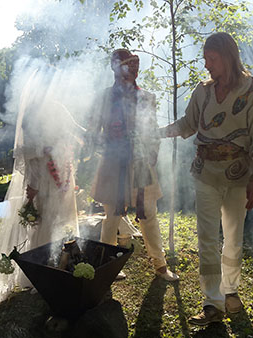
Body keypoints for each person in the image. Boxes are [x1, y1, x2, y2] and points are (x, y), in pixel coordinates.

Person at [159, 32, 253, 325]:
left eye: (212, 59)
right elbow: (187, 124)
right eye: (205, 59)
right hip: (205, 174)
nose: (206, 64)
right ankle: (212, 303)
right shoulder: (203, 91)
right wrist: (158, 132)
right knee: (207, 237)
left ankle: (230, 289)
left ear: (228, 57)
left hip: (239, 176)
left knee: (232, 238)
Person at [0, 66, 82, 306]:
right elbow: (26, 152)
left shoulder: (60, 108)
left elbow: (73, 135)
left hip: (62, 176)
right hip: (43, 179)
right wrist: (32, 185)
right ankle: (41, 273)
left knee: (63, 222)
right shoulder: (31, 113)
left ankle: (66, 265)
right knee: (44, 225)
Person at [85, 49, 179, 282]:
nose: (133, 72)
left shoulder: (147, 97)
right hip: (113, 164)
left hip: (140, 164)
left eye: (135, 67)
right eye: (128, 67)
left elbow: (153, 132)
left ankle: (160, 266)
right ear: (116, 68)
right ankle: (109, 265)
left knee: (149, 215)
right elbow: (92, 132)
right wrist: (103, 146)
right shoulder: (103, 98)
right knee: (112, 217)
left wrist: (151, 155)